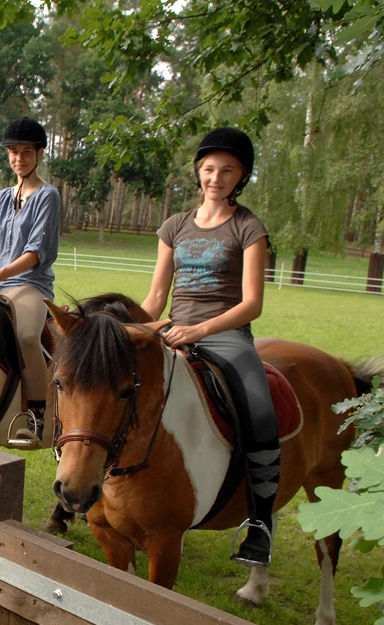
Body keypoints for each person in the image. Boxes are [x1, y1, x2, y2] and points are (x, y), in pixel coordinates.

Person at [141, 127, 277, 567]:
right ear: (198, 173)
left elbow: (252, 304)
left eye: (227, 170)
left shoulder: (248, 227)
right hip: (172, 328)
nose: (216, 177)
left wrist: (199, 332)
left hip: (225, 334)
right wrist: (136, 328)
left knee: (257, 406)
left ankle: (260, 524)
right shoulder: (175, 226)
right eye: (208, 169)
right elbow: (156, 297)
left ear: (241, 177)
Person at [0, 116, 61, 447]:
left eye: (25, 152)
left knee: (25, 337)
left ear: (39, 154)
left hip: (30, 285)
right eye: (13, 152)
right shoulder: (1, 198)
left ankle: (36, 415)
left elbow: (35, 253)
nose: (18, 158)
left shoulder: (48, 196)